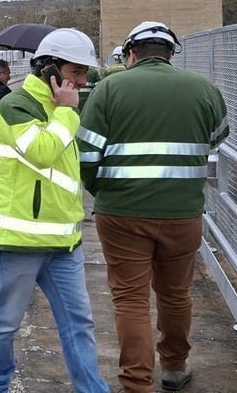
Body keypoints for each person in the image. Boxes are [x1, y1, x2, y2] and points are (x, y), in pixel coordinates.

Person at [78, 21, 228, 393]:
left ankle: (136, 383)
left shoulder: (109, 89)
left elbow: (87, 155)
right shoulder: (204, 90)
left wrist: (103, 192)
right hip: (183, 214)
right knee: (176, 294)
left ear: (131, 53)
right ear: (170, 53)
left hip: (121, 214)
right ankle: (175, 368)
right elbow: (215, 142)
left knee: (130, 299)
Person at [0, 28, 109, 393]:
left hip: (64, 241)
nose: (82, 82)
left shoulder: (59, 109)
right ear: (50, 70)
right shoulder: (15, 106)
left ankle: (93, 389)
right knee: (6, 322)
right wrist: (67, 112)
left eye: (85, 74)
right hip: (20, 240)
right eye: (76, 73)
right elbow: (41, 151)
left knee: (79, 322)